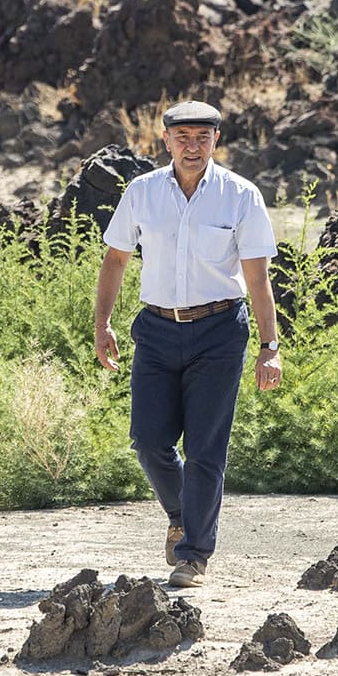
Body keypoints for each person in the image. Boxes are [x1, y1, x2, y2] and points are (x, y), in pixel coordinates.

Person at [93, 101, 283, 589]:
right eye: (183, 137)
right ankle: (181, 515)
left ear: (216, 140)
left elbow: (257, 278)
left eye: (202, 137)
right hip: (155, 330)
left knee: (204, 450)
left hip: (220, 332)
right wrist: (103, 324)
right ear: (165, 140)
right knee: (149, 441)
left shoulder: (241, 196)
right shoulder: (142, 192)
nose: (192, 146)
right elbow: (115, 259)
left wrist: (270, 346)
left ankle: (194, 554)